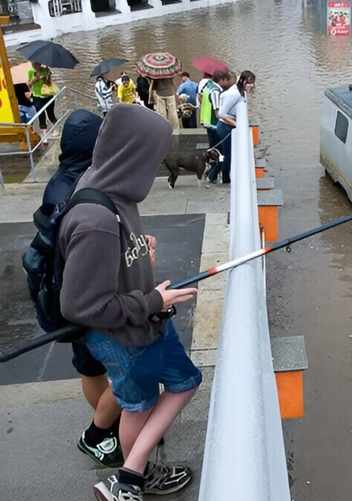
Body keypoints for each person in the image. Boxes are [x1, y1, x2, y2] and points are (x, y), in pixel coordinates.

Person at [57, 105, 201, 501]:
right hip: (123, 336)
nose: (156, 167)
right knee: (143, 401)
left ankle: (133, 473)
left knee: (162, 392)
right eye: (153, 158)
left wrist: (137, 250)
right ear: (132, 156)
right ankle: (129, 478)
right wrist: (154, 298)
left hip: (144, 322)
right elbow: (82, 306)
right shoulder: (96, 221)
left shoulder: (108, 184)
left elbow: (111, 255)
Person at [31, 110, 126, 467]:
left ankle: (113, 427)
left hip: (58, 292)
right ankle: (99, 432)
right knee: (130, 368)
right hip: (87, 297)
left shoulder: (58, 180)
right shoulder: (86, 188)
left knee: (89, 368)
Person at [208, 71, 254, 185]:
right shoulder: (235, 94)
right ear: (243, 82)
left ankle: (212, 175)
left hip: (229, 125)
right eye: (249, 83)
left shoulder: (241, 91)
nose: (251, 85)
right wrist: (237, 124)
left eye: (252, 83)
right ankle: (225, 179)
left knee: (226, 154)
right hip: (224, 127)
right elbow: (221, 114)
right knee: (228, 155)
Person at [201, 70, 232, 184]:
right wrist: (230, 120)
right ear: (223, 80)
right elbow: (217, 112)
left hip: (208, 124)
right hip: (215, 126)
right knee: (222, 154)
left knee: (215, 152)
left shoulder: (207, 86)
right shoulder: (215, 91)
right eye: (228, 80)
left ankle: (211, 173)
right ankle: (213, 176)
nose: (229, 83)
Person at [28, 62, 57, 131]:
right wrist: (35, 79)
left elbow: (49, 84)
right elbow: (29, 85)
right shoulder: (30, 71)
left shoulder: (46, 70)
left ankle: (57, 130)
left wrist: (46, 77)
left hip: (48, 95)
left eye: (36, 64)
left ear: (40, 64)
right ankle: (44, 135)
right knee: (41, 115)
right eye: (33, 63)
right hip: (37, 97)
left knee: (51, 115)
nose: (34, 65)